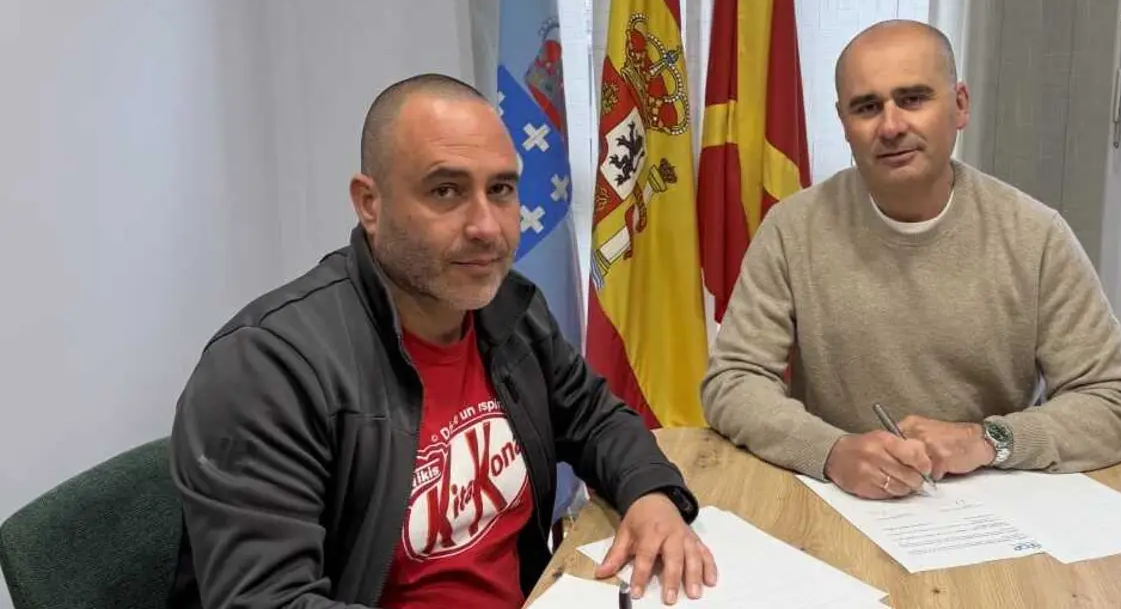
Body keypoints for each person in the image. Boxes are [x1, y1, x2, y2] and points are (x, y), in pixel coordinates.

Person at [168, 74, 716, 608]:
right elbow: (269, 599)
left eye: (500, 189)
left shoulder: (507, 309)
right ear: (369, 204)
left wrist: (651, 495)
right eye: (446, 190)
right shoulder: (266, 370)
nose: (486, 226)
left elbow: (596, 417)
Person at [700, 20, 1121, 500]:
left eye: (913, 99)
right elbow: (734, 380)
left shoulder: (1035, 236)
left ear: (959, 106)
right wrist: (830, 451)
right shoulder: (792, 229)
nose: (891, 126)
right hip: (842, 498)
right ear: (844, 123)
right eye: (867, 107)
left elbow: (1114, 406)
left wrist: (986, 441)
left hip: (990, 505)